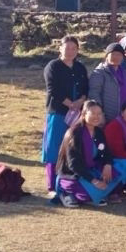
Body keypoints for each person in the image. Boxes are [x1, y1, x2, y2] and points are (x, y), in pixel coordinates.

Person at [42, 36, 89, 194]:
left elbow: (85, 88)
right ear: (60, 48)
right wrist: (70, 104)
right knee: (54, 147)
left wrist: (81, 101)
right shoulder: (53, 66)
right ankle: (51, 185)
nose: (70, 51)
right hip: (59, 112)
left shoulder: (80, 67)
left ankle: (69, 181)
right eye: (67, 48)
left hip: (77, 114)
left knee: (73, 147)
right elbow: (52, 89)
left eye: (73, 49)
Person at [54, 101, 122, 208]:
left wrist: (107, 164)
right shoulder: (74, 133)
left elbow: (107, 152)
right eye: (93, 113)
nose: (96, 116)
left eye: (99, 114)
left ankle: (94, 195)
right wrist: (94, 181)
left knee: (118, 173)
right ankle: (67, 192)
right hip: (75, 173)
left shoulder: (98, 132)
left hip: (92, 169)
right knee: (88, 192)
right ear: (84, 113)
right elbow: (73, 164)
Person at [89, 43, 126, 123]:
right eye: (113, 54)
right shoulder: (99, 72)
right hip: (106, 117)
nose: (116, 57)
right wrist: (100, 114)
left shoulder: (124, 72)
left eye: (119, 55)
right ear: (106, 56)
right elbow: (94, 94)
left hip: (124, 116)